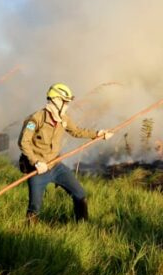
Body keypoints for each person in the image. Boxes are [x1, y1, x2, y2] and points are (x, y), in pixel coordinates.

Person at [17, 83, 112, 223]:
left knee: (80, 195)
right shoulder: (35, 119)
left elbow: (77, 131)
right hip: (37, 170)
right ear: (55, 100)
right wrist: (36, 162)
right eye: (65, 102)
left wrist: (98, 134)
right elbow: (23, 142)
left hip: (56, 165)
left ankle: (82, 227)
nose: (67, 105)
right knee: (34, 208)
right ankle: (29, 236)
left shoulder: (64, 119)